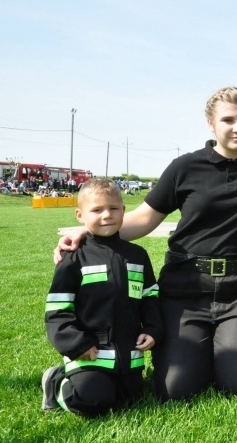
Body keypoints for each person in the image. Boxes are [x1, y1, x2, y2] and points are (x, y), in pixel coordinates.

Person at [55, 87, 237, 401]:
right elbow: (143, 219)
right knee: (176, 389)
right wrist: (87, 233)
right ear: (211, 123)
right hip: (185, 289)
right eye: (228, 120)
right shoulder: (185, 168)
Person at [42, 178, 162, 416]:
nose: (107, 215)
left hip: (129, 357)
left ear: (123, 211)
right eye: (97, 210)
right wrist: (76, 344)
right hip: (90, 354)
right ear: (80, 215)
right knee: (92, 400)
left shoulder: (138, 255)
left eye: (113, 208)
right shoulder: (73, 258)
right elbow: (57, 310)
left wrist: (152, 329)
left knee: (131, 400)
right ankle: (56, 383)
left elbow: (150, 298)